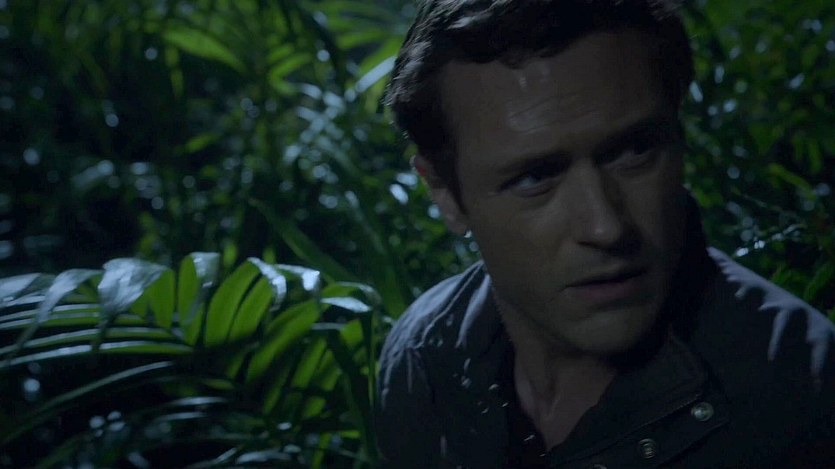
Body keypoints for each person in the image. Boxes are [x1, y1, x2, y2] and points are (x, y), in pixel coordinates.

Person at [375, 1, 835, 468]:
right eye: (536, 177)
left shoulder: (804, 397)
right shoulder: (422, 360)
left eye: (634, 151)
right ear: (446, 194)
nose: (606, 227)